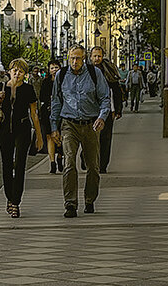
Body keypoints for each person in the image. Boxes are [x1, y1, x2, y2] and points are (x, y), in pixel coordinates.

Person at [50, 45, 111, 218]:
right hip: (69, 124)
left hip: (91, 124)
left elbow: (105, 98)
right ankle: (70, 203)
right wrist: (54, 127)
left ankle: (90, 199)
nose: (74, 62)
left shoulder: (94, 74)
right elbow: (56, 102)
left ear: (84, 58)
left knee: (93, 165)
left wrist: (102, 117)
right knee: (69, 162)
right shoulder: (61, 76)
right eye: (71, 58)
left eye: (78, 58)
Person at [0, 58, 44, 218]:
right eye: (14, 70)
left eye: (20, 71)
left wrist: (39, 136)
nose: (17, 74)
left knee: (20, 165)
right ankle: (9, 197)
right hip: (5, 129)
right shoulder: (1, 88)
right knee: (6, 164)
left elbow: (34, 114)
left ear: (25, 74)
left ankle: (16, 202)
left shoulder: (28, 89)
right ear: (9, 71)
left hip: (23, 128)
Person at [89, 46, 123, 173]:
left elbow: (116, 90)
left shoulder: (108, 70)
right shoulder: (85, 70)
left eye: (99, 56)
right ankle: (86, 159)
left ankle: (102, 165)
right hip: (90, 110)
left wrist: (118, 109)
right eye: (95, 56)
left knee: (105, 138)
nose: (97, 59)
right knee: (89, 137)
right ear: (90, 57)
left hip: (107, 109)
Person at [39, 59, 62, 173]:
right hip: (47, 111)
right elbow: (42, 97)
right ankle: (52, 162)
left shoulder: (64, 80)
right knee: (49, 136)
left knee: (61, 135)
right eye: (52, 68)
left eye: (56, 67)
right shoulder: (46, 82)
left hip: (62, 112)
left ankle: (60, 157)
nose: (54, 70)